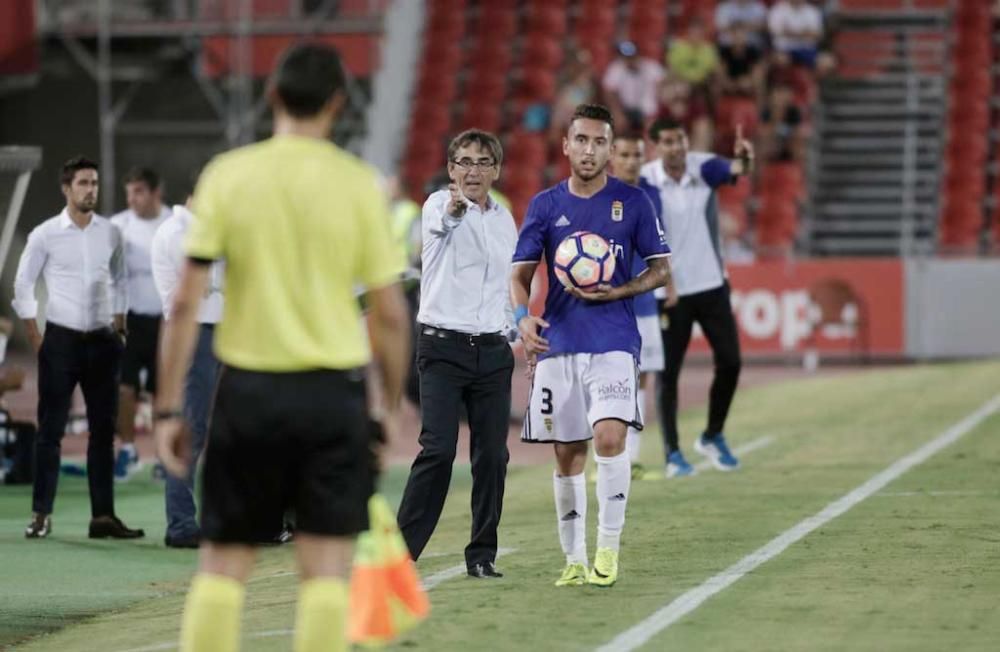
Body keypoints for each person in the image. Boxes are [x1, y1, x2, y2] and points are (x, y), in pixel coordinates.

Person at [154, 43, 409, 652]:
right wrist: (389, 408)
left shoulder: (227, 175)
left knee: (221, 568)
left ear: (272, 96)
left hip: (247, 390)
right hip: (331, 392)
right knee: (324, 571)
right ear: (338, 104)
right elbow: (392, 316)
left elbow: (186, 305)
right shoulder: (361, 186)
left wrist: (166, 408)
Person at [511, 104, 671, 588]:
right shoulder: (544, 205)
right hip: (560, 342)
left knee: (609, 438)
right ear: (565, 145)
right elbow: (519, 276)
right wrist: (523, 319)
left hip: (615, 339)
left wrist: (617, 291)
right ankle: (574, 558)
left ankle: (608, 549)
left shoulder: (634, 202)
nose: (589, 150)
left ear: (609, 148)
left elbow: (662, 269)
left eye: (599, 141)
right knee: (567, 453)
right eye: (581, 140)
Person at [396, 129, 517, 579]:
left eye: (483, 162)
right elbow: (443, 223)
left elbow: (505, 282)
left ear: (496, 171)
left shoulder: (505, 221)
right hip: (443, 348)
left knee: (492, 457)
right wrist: (453, 209)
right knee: (438, 450)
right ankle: (399, 557)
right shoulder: (435, 207)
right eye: (464, 162)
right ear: (450, 169)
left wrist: (513, 330)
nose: (473, 170)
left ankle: (482, 554)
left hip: (491, 351)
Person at [12, 155, 145, 540]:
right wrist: (37, 338)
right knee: (49, 432)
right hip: (61, 340)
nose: (91, 190)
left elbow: (120, 280)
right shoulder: (45, 234)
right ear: (66, 189)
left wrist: (119, 327)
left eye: (95, 183)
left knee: (103, 432)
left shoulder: (110, 233)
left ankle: (102, 517)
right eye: (83, 183)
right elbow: (23, 285)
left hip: (103, 342)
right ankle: (41, 515)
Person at [641, 117, 754, 477]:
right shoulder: (645, 181)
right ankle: (673, 453)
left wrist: (745, 160)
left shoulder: (703, 167)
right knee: (668, 374)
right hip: (670, 293)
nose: (676, 147)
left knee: (732, 361)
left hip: (711, 284)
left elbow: (736, 168)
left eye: (680, 140)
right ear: (657, 146)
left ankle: (712, 434)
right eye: (669, 142)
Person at [149, 185, 223, 549]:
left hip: (220, 330)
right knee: (192, 428)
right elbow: (203, 285)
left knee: (226, 428)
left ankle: (224, 517)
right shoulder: (177, 233)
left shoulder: (203, 229)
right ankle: (179, 523)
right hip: (197, 334)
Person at [609, 133, 666, 480]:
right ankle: (607, 456)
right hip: (609, 304)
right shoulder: (600, 193)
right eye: (626, 154)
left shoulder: (653, 194)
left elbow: (661, 245)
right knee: (606, 378)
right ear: (613, 156)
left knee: (643, 379)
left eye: (638, 155)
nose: (632, 161)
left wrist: (669, 287)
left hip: (644, 301)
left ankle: (632, 458)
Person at [111, 166, 171, 481]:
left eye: (139, 192)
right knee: (124, 389)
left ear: (155, 192)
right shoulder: (117, 226)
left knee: (164, 394)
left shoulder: (175, 223)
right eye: (129, 192)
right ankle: (128, 451)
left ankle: (164, 455)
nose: (132, 199)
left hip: (166, 322)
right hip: (130, 321)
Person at [602, 41, 666, 132]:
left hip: (648, 110)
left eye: (632, 57)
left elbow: (664, 86)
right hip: (625, 110)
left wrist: (661, 104)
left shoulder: (652, 67)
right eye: (626, 58)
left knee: (653, 127)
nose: (629, 60)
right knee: (616, 123)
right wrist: (617, 112)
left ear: (638, 55)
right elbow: (609, 91)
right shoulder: (616, 68)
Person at [768, 0, 824, 69]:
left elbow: (817, 34)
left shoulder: (812, 11)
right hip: (784, 49)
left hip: (807, 49)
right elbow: (775, 31)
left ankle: (814, 79)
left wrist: (791, 32)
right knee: (782, 60)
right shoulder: (778, 9)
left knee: (825, 62)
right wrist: (804, 32)